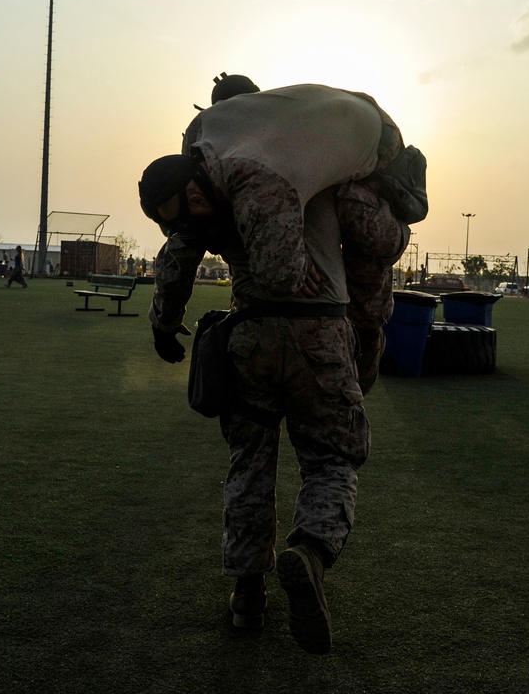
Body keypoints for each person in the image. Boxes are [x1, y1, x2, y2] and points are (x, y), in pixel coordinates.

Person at [139, 166, 369, 655]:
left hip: (252, 337)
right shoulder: (305, 160)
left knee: (251, 462)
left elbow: (179, 255)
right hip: (322, 333)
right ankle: (309, 548)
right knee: (332, 458)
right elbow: (373, 249)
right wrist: (370, 331)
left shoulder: (215, 177)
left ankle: (248, 593)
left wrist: (164, 322)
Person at [172, 81, 425, 392]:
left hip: (375, 146)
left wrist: (165, 318)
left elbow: (185, 236)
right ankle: (362, 354)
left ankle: (364, 350)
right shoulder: (272, 134)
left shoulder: (251, 150)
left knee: (370, 274)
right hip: (370, 126)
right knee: (368, 288)